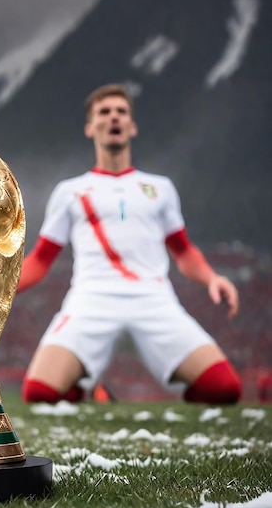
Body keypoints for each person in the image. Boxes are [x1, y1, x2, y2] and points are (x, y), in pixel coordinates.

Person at [17, 83, 242, 405]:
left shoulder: (159, 188)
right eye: (104, 112)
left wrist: (212, 278)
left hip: (154, 300)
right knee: (39, 394)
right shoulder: (71, 191)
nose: (114, 118)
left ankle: (131, 387)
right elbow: (40, 259)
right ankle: (86, 387)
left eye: (121, 112)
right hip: (91, 300)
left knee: (224, 389)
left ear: (132, 126)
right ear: (90, 127)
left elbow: (183, 251)